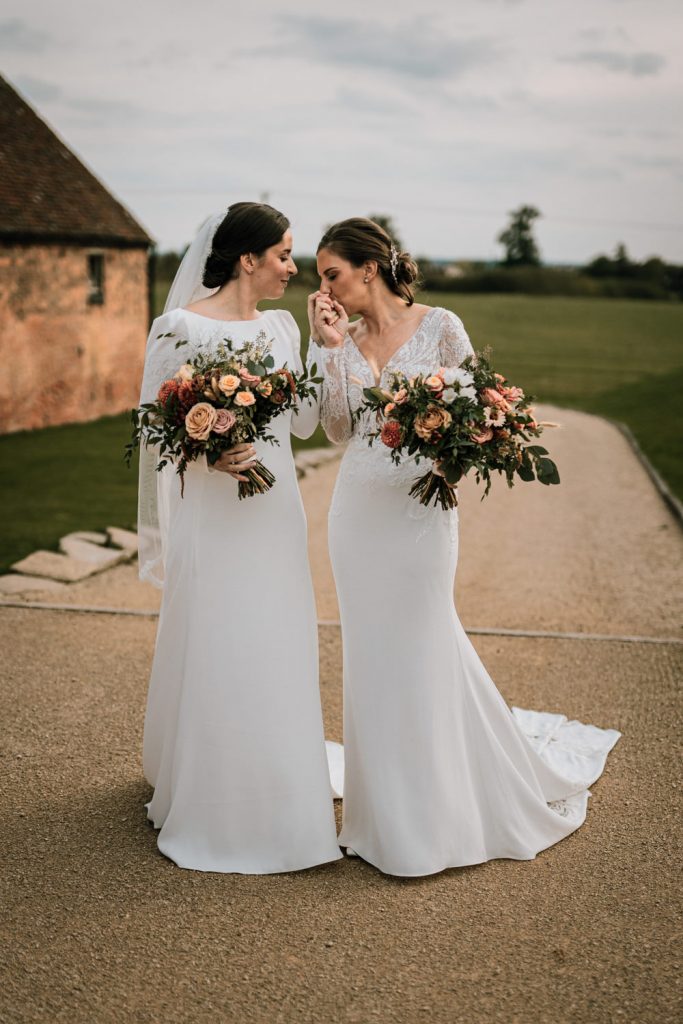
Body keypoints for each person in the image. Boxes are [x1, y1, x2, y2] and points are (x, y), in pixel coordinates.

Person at [308, 217, 620, 877]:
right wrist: (328, 346)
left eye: (330, 274)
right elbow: (337, 429)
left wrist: (445, 467)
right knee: (369, 653)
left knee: (421, 641)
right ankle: (382, 814)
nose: (324, 289)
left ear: (369, 269)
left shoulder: (440, 325)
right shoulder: (344, 336)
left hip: (421, 509)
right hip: (357, 510)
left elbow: (479, 421)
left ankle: (433, 814)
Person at [138, 202, 342, 873]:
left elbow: (306, 423)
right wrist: (204, 452)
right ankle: (213, 789)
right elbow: (152, 427)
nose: (293, 266)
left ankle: (278, 774)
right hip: (216, 512)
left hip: (274, 507)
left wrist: (321, 343)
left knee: (276, 634)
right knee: (220, 633)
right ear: (247, 258)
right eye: (283, 253)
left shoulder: (284, 326)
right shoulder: (179, 327)